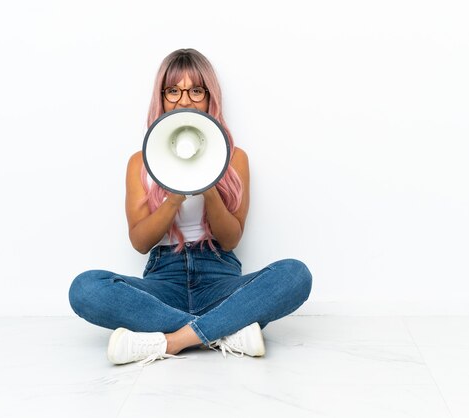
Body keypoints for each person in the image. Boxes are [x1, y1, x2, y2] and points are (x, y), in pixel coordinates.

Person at [68, 48, 312, 365]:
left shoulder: (235, 158)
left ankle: (172, 341)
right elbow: (140, 243)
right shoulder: (140, 163)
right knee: (85, 289)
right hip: (162, 282)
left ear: (211, 98)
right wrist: (174, 195)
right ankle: (224, 330)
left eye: (196, 90)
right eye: (173, 91)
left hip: (219, 277)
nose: (184, 101)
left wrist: (209, 186)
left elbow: (231, 240)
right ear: (162, 98)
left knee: (295, 275)